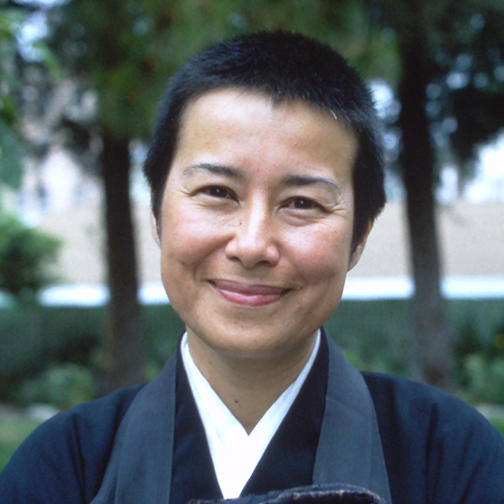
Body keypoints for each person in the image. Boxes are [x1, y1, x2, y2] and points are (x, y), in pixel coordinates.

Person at [1, 31, 503, 504]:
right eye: (217, 193)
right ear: (157, 213)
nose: (252, 244)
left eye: (302, 202)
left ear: (359, 237)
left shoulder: (451, 460)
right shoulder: (64, 468)